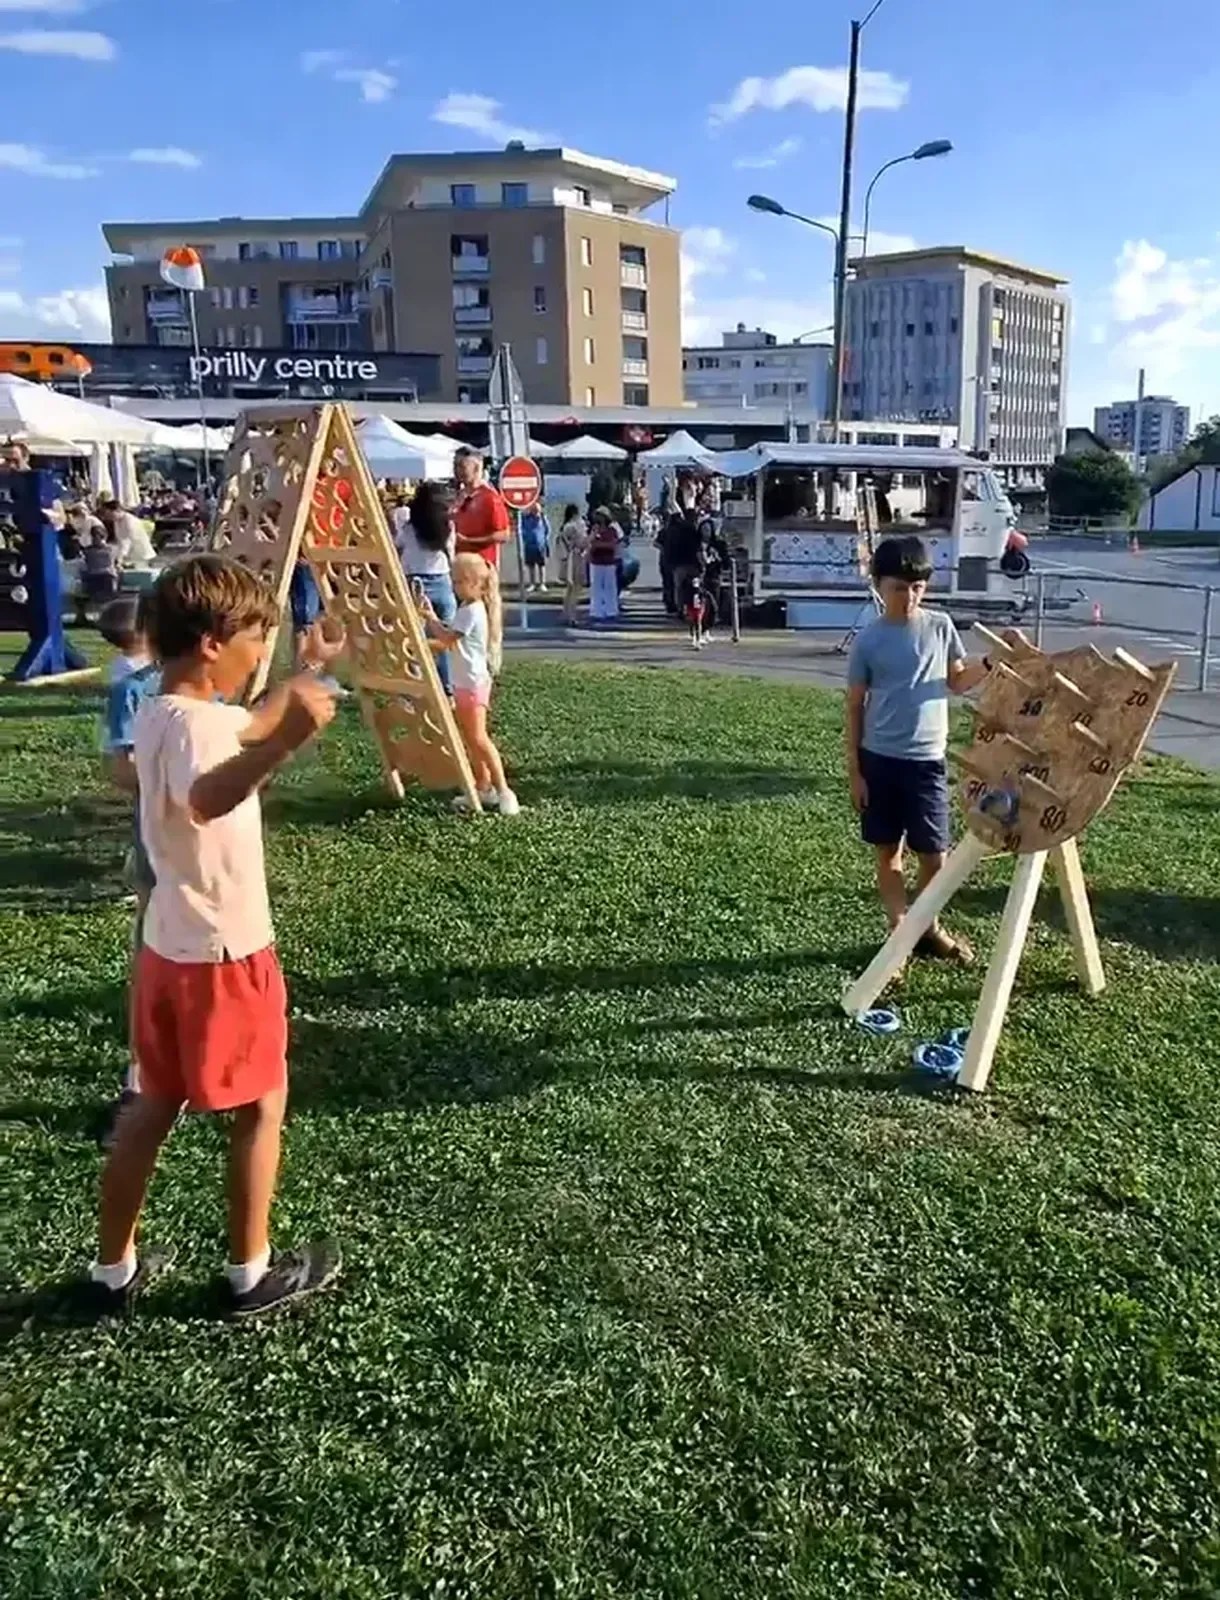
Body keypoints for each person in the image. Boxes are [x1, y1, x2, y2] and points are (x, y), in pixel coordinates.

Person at [83, 554, 343, 1319]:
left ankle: (113, 1271)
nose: (259, 657)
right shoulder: (202, 728)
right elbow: (209, 793)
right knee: (263, 1103)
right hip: (225, 955)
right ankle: (249, 1275)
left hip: (167, 948)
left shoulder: (160, 710)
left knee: (151, 1105)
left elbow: (246, 720)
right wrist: (283, 744)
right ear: (211, 644)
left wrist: (308, 673)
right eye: (255, 641)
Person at [845, 535, 991, 962]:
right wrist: (855, 772)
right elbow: (854, 707)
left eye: (917, 587)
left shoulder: (941, 627)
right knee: (889, 851)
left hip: (927, 764)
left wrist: (992, 663)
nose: (908, 597)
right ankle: (899, 933)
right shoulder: (868, 640)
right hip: (880, 761)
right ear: (878, 585)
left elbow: (957, 681)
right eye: (898, 588)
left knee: (935, 855)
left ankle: (927, 927)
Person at [97, 594, 162, 1143]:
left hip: (208, 846)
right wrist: (166, 774)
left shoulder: (212, 688)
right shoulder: (133, 689)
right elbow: (122, 770)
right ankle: (141, 1076)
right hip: (158, 839)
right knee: (153, 945)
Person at [419, 551, 520, 816]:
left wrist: (420, 642)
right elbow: (448, 636)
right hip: (467, 682)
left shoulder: (471, 611)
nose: (453, 586)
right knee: (472, 739)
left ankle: (504, 790)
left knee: (478, 738)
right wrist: (430, 618)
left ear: (474, 583)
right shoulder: (468, 609)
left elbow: (446, 641)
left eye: (457, 582)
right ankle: (483, 785)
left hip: (472, 684)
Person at [452, 447, 511, 675]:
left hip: (482, 568)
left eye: (462, 466)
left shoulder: (489, 498)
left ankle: (489, 663)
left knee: (485, 617)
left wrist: (470, 540)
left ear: (477, 468)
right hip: (460, 567)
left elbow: (503, 534)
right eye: (456, 465)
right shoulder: (459, 497)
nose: (457, 471)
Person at [396, 482, 457, 694]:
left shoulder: (409, 528)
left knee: (414, 640)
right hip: (442, 580)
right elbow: (451, 554)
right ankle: (447, 686)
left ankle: (417, 687)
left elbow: (398, 546)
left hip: (415, 583)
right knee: (445, 639)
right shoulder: (447, 528)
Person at [586, 509, 621, 622]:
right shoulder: (593, 530)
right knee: (596, 587)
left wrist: (599, 544)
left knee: (610, 587)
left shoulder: (612, 530)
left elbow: (613, 544)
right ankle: (596, 611)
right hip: (596, 562)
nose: (598, 519)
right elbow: (589, 543)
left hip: (609, 562)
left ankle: (611, 610)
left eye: (601, 517)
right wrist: (595, 537)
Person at [555, 503, 587, 625]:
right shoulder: (575, 527)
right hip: (575, 559)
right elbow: (581, 543)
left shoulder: (565, 527)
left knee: (570, 589)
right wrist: (591, 537)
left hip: (566, 559)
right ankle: (572, 616)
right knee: (575, 589)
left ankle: (565, 614)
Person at [520, 504, 551, 592]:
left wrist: (544, 540)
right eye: (535, 510)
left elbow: (548, 529)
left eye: (538, 510)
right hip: (529, 545)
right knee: (531, 565)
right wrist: (525, 538)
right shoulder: (526, 518)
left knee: (541, 565)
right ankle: (532, 584)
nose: (536, 512)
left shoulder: (543, 518)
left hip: (540, 545)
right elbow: (522, 529)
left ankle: (542, 584)